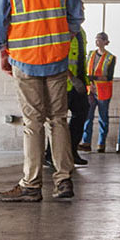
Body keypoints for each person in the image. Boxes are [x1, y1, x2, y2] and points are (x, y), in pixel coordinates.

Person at [0, 0, 84, 202]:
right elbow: (76, 14)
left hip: (24, 59)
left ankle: (31, 184)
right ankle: (63, 180)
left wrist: (2, 52)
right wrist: (63, 37)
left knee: (33, 121)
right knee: (59, 120)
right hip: (57, 59)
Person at [44, 28, 89, 170]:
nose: (82, 11)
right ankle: (50, 156)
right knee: (58, 121)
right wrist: (71, 78)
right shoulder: (60, 28)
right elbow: (57, 56)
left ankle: (71, 151)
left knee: (81, 115)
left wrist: (84, 81)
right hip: (63, 84)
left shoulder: (81, 31)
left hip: (79, 84)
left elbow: (80, 59)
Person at [79, 32, 116, 153]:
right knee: (87, 117)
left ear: (105, 42)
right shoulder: (90, 55)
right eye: (96, 39)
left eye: (100, 39)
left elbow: (108, 77)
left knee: (103, 118)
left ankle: (101, 144)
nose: (97, 41)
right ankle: (86, 142)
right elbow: (85, 70)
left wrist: (92, 78)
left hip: (103, 92)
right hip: (90, 91)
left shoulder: (110, 58)